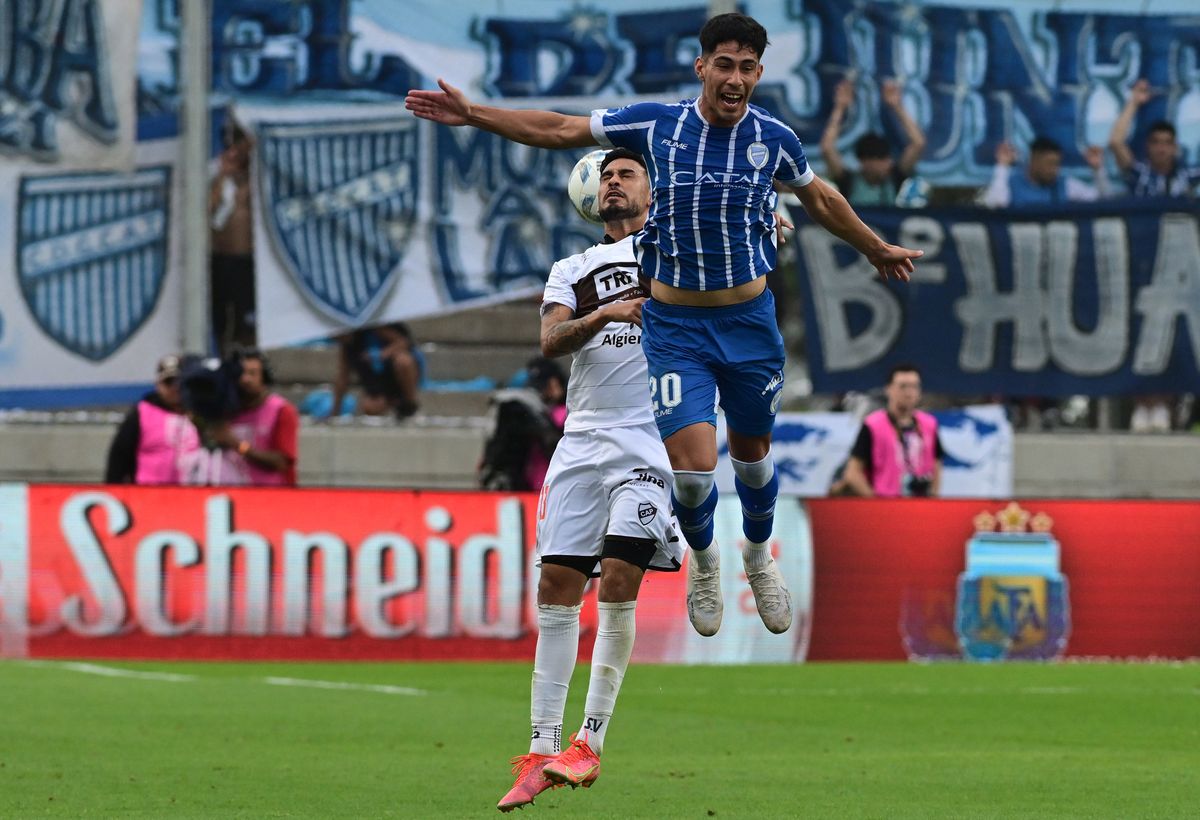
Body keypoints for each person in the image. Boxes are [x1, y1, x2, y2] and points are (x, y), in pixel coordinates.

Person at [407, 12, 920, 639]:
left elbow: (821, 198)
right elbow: (563, 127)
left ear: (759, 73)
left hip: (750, 322)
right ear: (702, 66)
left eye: (747, 68)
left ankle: (759, 557)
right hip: (675, 326)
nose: (735, 79)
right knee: (694, 472)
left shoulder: (774, 138)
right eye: (724, 65)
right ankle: (704, 561)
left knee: (752, 457)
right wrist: (476, 115)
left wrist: (875, 248)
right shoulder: (658, 125)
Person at [497, 148, 684, 812]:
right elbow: (551, 341)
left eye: (626, 174)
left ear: (651, 191)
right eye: (605, 175)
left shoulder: (677, 250)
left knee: (621, 577)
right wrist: (604, 314)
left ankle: (590, 742)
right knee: (556, 587)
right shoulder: (572, 268)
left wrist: (765, 223)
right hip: (581, 437)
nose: (612, 182)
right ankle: (541, 747)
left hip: (649, 434)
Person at [185, 349, 299, 486]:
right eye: (241, 374)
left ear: (264, 377)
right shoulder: (225, 409)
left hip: (271, 492)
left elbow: (281, 462)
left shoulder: (281, 410)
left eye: (252, 373)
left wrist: (237, 445)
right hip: (231, 490)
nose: (245, 379)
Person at [840, 364, 944, 498]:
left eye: (914, 386)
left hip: (921, 502)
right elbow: (852, 473)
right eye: (903, 386)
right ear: (888, 389)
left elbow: (936, 465)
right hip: (886, 501)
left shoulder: (929, 424)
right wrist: (875, 502)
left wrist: (934, 498)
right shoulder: (873, 425)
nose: (909, 392)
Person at [820, 78, 926, 206]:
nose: (887, 164)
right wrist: (840, 107)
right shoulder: (848, 181)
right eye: (881, 159)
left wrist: (897, 106)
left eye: (887, 159)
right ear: (864, 162)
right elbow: (827, 148)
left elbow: (918, 143)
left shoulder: (894, 177)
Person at [104, 355, 201, 484]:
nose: (175, 387)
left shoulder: (199, 412)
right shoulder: (142, 413)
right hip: (149, 491)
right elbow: (119, 456)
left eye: (180, 382)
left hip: (194, 491)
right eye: (169, 382)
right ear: (158, 385)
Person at [478, 357, 567, 492]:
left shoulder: (565, 413)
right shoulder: (529, 409)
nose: (541, 393)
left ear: (555, 383)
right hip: (533, 485)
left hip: (552, 485)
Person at [209, 120, 257, 355]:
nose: (234, 152)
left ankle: (247, 361)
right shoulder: (217, 177)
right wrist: (222, 177)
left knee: (246, 323)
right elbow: (207, 211)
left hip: (246, 260)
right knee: (219, 320)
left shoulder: (255, 178)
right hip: (219, 258)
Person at [1108, 79, 1200, 198]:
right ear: (1147, 146)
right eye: (1155, 142)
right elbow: (1116, 142)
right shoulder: (1139, 174)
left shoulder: (1187, 176)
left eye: (1167, 142)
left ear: (1175, 147)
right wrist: (1134, 101)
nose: (1161, 148)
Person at [980, 137, 1109, 207]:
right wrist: (1002, 166)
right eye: (1050, 163)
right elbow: (995, 205)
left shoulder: (1064, 185)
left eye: (1057, 164)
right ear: (1034, 161)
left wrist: (1097, 170)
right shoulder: (1010, 183)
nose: (1054, 169)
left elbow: (1103, 201)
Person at [332, 322, 423, 419]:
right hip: (380, 385)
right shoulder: (347, 347)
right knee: (370, 406)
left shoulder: (376, 329)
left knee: (403, 361)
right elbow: (343, 378)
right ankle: (393, 405)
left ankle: (410, 404)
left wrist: (381, 355)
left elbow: (403, 342)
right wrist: (335, 411)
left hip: (395, 374)